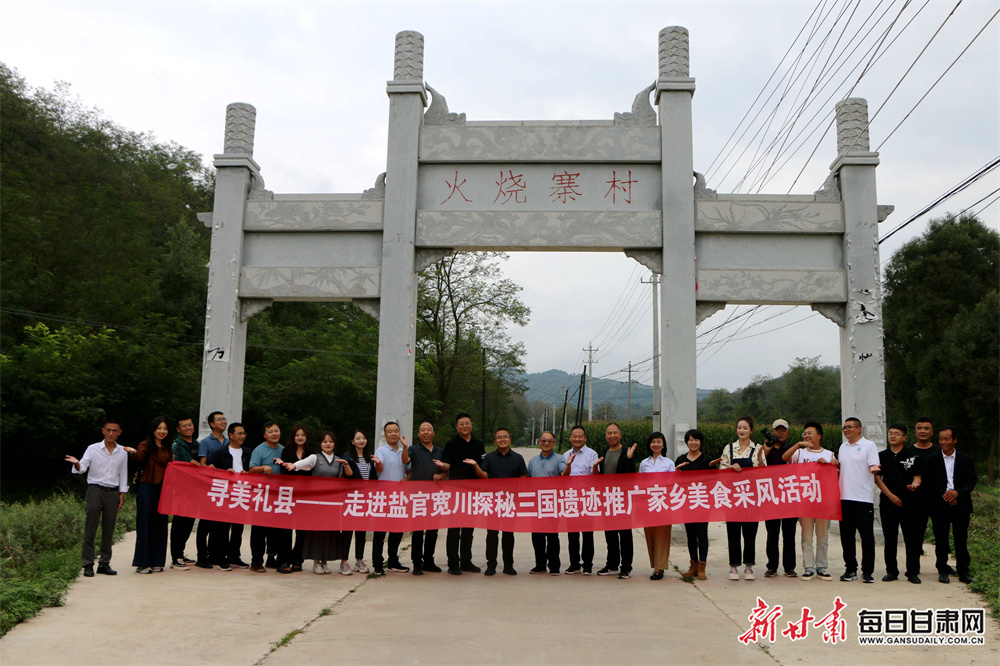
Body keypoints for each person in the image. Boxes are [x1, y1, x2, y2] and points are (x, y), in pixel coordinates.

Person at [66, 418, 131, 577]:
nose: (111, 433)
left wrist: (122, 494)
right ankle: (88, 564)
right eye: (108, 430)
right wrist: (76, 463)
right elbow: (82, 468)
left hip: (113, 492)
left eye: (114, 430)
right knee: (91, 528)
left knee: (109, 529)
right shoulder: (93, 448)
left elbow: (123, 473)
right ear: (103, 431)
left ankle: (104, 563)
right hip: (95, 489)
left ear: (119, 433)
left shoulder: (122, 451)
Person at [283, 431, 350, 575]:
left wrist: (346, 465)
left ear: (334, 444)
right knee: (316, 532)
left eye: (331, 441)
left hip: (332, 503)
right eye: (325, 441)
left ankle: (325, 560)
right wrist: (294, 466)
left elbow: (346, 477)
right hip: (316, 503)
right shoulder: (315, 457)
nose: (328, 444)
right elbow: (303, 464)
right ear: (320, 444)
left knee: (329, 532)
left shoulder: (338, 460)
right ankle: (316, 561)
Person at [468, 427, 527, 576]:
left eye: (505, 437)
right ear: (495, 441)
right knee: (492, 535)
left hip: (510, 502)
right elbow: (483, 475)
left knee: (508, 534)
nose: (502, 439)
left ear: (510, 439)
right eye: (499, 437)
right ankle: (491, 565)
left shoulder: (518, 458)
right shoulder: (489, 458)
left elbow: (523, 478)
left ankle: (508, 565)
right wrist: (476, 466)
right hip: (492, 502)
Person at [782, 422, 837, 581]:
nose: (806, 436)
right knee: (806, 536)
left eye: (810, 433)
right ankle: (808, 567)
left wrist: (829, 464)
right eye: (804, 433)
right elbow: (785, 457)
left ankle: (822, 567)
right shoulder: (799, 453)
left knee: (822, 536)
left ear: (818, 436)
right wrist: (798, 445)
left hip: (823, 502)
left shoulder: (829, 454)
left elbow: (836, 468)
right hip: (805, 501)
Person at [924, 426, 977, 584]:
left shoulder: (965, 459)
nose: (943, 442)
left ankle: (963, 571)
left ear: (954, 440)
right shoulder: (932, 459)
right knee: (941, 538)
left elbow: (971, 480)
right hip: (939, 505)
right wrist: (945, 495)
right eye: (940, 439)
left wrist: (957, 493)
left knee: (961, 538)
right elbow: (929, 481)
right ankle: (942, 569)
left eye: (946, 439)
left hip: (960, 504)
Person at [874, 423, 923, 583]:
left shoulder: (912, 455)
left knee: (912, 538)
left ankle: (912, 572)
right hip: (888, 501)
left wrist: (915, 485)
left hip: (910, 501)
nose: (892, 436)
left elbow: (917, 476)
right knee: (890, 537)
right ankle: (892, 571)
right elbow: (877, 479)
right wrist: (890, 496)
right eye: (890, 433)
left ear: (904, 437)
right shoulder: (881, 456)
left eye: (896, 433)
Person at [719, 415, 767, 581]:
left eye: (745, 428)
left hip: (751, 498)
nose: (742, 431)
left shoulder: (758, 448)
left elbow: (764, 472)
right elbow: (721, 472)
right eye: (739, 427)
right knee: (733, 532)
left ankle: (748, 566)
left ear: (751, 430)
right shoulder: (729, 448)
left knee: (750, 533)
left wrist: (760, 462)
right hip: (733, 497)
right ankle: (733, 567)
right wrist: (731, 468)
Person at [837, 417, 881, 584]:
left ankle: (867, 571)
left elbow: (874, 465)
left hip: (862, 499)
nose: (846, 430)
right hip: (844, 498)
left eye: (850, 427)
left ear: (859, 429)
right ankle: (850, 569)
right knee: (846, 537)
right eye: (844, 427)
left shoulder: (869, 446)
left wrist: (874, 468)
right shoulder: (843, 447)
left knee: (866, 537)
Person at [442, 413, 486, 575]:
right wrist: (442, 467)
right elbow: (446, 465)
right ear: (456, 426)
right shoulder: (451, 444)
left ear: (471, 425)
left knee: (468, 528)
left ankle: (466, 561)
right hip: (455, 490)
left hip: (474, 491)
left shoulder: (478, 444)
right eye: (461, 424)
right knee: (454, 528)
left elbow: (483, 467)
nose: (464, 426)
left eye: (467, 423)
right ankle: (453, 563)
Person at [207, 422, 253, 571]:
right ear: (231, 435)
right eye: (239, 433)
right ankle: (220, 558)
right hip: (225, 495)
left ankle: (234, 556)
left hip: (242, 493)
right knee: (223, 528)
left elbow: (253, 470)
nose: (242, 436)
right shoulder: (220, 453)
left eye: (244, 433)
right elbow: (210, 472)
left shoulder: (248, 452)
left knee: (238, 528)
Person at [129, 417, 173, 573]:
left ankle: (157, 561)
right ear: (153, 430)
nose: (162, 431)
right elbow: (138, 456)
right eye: (159, 428)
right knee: (145, 523)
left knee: (161, 524)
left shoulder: (168, 447)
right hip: (147, 486)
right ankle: (142, 562)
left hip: (163, 488)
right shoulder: (146, 444)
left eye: (165, 428)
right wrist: (134, 452)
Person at [247, 421, 290, 573]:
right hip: (262, 495)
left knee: (276, 530)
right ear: (265, 434)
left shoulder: (284, 450)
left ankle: (272, 558)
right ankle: (256, 561)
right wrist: (263, 468)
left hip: (279, 496)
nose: (274, 434)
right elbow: (251, 469)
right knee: (259, 529)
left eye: (276, 430)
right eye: (270, 431)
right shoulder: (259, 450)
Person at [596, 423, 637, 579]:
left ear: (620, 434)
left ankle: (626, 567)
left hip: (623, 499)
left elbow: (630, 475)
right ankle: (612, 564)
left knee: (625, 535)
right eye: (609, 433)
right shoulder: (604, 452)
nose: (612, 435)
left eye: (615, 433)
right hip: (608, 499)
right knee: (610, 534)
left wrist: (630, 459)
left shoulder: (627, 451)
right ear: (606, 436)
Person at [371, 421, 411, 575]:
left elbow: (409, 470)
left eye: (396, 431)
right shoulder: (380, 451)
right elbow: (378, 468)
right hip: (383, 496)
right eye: (390, 431)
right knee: (380, 532)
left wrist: (406, 480)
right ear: (385, 434)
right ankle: (377, 564)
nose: (393, 434)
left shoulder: (403, 451)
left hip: (399, 497)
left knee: (397, 531)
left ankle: (393, 561)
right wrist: (379, 463)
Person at [407, 421, 446, 575]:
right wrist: (404, 447)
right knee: (417, 531)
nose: (426, 432)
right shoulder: (413, 450)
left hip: (436, 496)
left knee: (432, 531)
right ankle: (417, 563)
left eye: (429, 429)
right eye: (422, 430)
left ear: (433, 433)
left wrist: (441, 475)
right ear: (418, 434)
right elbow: (405, 461)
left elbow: (447, 470)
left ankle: (429, 561)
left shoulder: (440, 451)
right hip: (418, 496)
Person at [561, 425, 600, 575]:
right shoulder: (565, 455)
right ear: (570, 438)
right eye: (574, 436)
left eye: (580, 436)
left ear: (585, 438)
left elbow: (595, 477)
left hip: (586, 498)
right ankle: (574, 564)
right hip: (570, 499)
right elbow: (563, 477)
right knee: (572, 534)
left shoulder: (592, 454)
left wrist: (595, 467)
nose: (577, 439)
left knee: (588, 533)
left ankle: (588, 564)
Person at [675, 428, 712, 580]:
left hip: (703, 502)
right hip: (687, 503)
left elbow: (714, 482)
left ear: (700, 442)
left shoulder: (707, 460)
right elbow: (675, 483)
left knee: (702, 534)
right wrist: (676, 472)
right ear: (686, 442)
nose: (693, 442)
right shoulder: (681, 460)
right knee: (690, 535)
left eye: (696, 440)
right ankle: (693, 565)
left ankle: (702, 566)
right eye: (690, 440)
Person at [906, 417, 940, 580]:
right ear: (915, 431)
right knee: (914, 536)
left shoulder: (939, 451)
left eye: (926, 428)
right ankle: (913, 569)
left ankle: (943, 568)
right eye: (919, 428)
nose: (922, 431)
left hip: (937, 499)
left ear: (932, 432)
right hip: (915, 500)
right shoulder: (908, 452)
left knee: (941, 535)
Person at [762, 418, 797, 578]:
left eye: (784, 430)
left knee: (789, 534)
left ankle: (789, 567)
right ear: (772, 431)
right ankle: (772, 566)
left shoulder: (793, 449)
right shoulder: (765, 448)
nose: (780, 433)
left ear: (788, 433)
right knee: (772, 533)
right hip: (771, 496)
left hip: (789, 496)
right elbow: (758, 466)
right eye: (778, 430)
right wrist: (765, 451)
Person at [639, 432, 676, 580]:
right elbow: (640, 483)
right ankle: (655, 564)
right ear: (649, 444)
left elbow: (673, 483)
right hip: (648, 503)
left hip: (663, 503)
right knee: (651, 535)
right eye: (653, 442)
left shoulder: (668, 463)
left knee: (662, 535)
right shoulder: (644, 463)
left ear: (663, 444)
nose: (656, 444)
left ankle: (659, 568)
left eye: (659, 442)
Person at [527, 431, 565, 575]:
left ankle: (554, 565)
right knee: (537, 536)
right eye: (543, 440)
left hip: (552, 503)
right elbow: (527, 480)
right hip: (536, 504)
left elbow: (564, 475)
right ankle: (540, 565)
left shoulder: (560, 459)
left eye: (549, 441)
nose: (546, 443)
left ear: (554, 443)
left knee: (552, 536)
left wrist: (568, 466)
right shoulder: (532, 461)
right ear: (539, 441)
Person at [195, 411, 228, 569]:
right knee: (205, 524)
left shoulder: (229, 442)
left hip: (225, 489)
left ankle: (215, 555)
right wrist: (209, 468)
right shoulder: (206, 442)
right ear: (212, 424)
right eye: (220, 420)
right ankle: (201, 556)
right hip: (209, 488)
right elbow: (202, 463)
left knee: (220, 525)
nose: (223, 422)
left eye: (224, 419)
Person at [342, 429, 377, 574]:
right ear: (352, 441)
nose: (361, 440)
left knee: (361, 530)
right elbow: (347, 477)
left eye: (363, 438)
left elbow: (374, 478)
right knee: (347, 530)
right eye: (358, 438)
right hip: (351, 498)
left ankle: (359, 560)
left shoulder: (371, 458)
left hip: (366, 498)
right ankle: (344, 562)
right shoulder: (347, 457)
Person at [281, 424, 313, 573]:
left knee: (302, 531)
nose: (300, 437)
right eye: (297, 435)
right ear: (293, 437)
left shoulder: (312, 454)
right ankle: (284, 560)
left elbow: (312, 474)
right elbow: (284, 471)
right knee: (286, 529)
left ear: (306, 437)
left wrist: (295, 467)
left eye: (303, 435)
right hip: (288, 495)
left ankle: (297, 559)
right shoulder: (286, 452)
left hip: (305, 497)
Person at [169, 416, 199, 569]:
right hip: (181, 490)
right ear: (178, 429)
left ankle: (181, 553)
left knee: (188, 523)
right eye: (184, 426)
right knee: (179, 523)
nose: (188, 428)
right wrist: (189, 465)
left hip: (194, 490)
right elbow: (175, 468)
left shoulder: (197, 444)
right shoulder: (176, 445)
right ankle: (176, 557)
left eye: (190, 424)